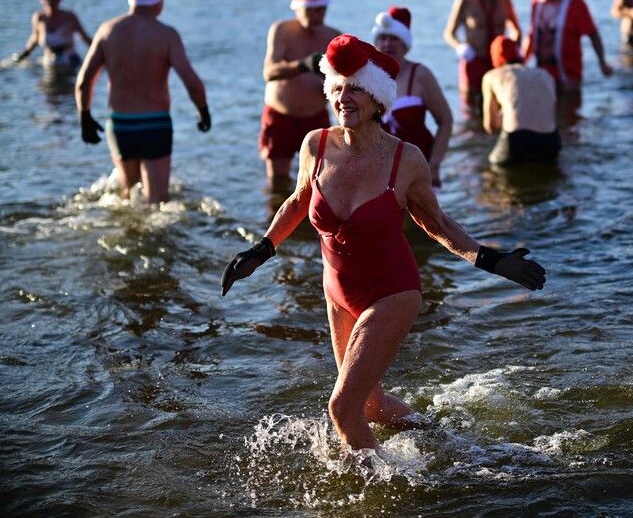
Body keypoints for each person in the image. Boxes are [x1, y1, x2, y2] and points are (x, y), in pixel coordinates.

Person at [220, 34, 545, 451]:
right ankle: (449, 441)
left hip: (392, 292)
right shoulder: (316, 145)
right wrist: (261, 250)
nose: (344, 97)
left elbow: (438, 223)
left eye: (355, 88)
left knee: (342, 407)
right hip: (338, 295)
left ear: (377, 99)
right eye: (337, 88)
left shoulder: (405, 159)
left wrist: (491, 261)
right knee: (368, 404)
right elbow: (299, 200)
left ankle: (379, 488)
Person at [75, 0, 211, 204]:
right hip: (154, 124)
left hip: (120, 125)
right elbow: (191, 82)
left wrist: (84, 116)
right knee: (157, 202)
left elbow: (84, 81)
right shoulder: (166, 35)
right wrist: (203, 111)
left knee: (128, 198)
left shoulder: (107, 31)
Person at [260, 0, 341, 191]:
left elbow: (346, 83)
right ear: (298, 7)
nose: (317, 15)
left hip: (315, 118)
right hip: (280, 117)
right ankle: (276, 219)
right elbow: (269, 72)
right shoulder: (282, 31)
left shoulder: (333, 36)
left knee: (321, 182)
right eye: (311, 9)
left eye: (322, 9)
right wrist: (303, 65)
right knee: (278, 182)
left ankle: (312, 223)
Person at [372, 7, 453, 187]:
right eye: (383, 38)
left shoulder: (421, 74)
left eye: (394, 38)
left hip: (419, 172)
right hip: (379, 175)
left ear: (405, 43)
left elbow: (446, 120)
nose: (387, 44)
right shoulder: (367, 78)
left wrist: (435, 165)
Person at [522, 0, 613, 100]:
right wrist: (522, 62)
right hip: (542, 75)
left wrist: (602, 63)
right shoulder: (536, 4)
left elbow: (593, 35)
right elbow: (532, 35)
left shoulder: (576, 3)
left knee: (569, 117)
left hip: (569, 76)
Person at [443, 0, 521, 111]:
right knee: (471, 108)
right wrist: (461, 47)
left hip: (499, 63)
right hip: (474, 62)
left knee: (502, 107)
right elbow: (449, 33)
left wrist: (514, 50)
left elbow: (515, 29)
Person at [482, 36, 561, 165]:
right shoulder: (545, 75)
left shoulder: (492, 76)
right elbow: (553, 114)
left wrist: (503, 116)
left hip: (516, 141)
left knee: (492, 168)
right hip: (550, 141)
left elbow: (489, 126)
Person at [12, 0, 93, 68]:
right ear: (42, 0)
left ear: (58, 0)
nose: (50, 5)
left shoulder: (69, 17)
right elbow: (34, 39)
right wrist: (23, 55)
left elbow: (85, 38)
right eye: (47, 1)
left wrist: (102, 53)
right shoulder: (39, 18)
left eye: (53, 1)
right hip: (49, 62)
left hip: (70, 62)